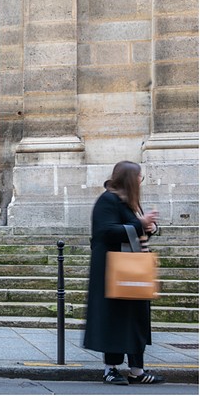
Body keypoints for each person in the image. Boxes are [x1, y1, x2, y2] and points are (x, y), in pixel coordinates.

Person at [83, 161, 165, 385]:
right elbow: (105, 231)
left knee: (136, 319)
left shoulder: (129, 202)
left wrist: (149, 226)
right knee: (115, 320)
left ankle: (137, 371)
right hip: (114, 272)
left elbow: (137, 231)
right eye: (139, 177)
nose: (140, 181)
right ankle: (110, 370)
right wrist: (140, 224)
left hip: (133, 271)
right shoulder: (107, 200)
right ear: (129, 178)